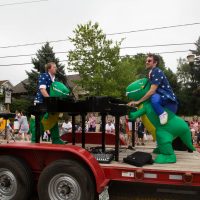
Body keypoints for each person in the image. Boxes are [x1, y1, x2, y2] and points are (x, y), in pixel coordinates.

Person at [128, 53, 178, 125]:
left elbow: (152, 91)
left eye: (149, 61)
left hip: (168, 101)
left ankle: (162, 114)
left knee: (153, 97)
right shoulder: (151, 73)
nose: (146, 62)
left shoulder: (156, 71)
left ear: (155, 63)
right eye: (146, 61)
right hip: (162, 100)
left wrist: (138, 101)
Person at [33, 62, 65, 144]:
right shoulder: (44, 76)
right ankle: (34, 140)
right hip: (41, 102)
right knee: (40, 122)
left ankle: (56, 139)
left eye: (56, 67)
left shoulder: (54, 79)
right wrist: (50, 101)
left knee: (53, 119)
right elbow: (42, 90)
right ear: (49, 69)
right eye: (54, 67)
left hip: (48, 103)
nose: (56, 68)